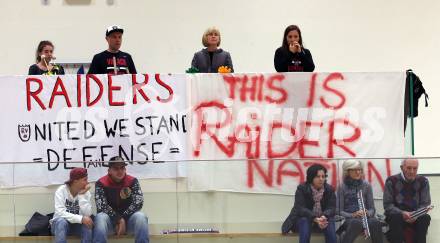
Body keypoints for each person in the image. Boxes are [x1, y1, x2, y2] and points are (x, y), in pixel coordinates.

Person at [94, 156, 149, 243]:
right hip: (110, 223)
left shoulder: (132, 181)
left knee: (141, 217)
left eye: (122, 168)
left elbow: (138, 203)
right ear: (109, 171)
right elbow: (102, 206)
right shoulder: (101, 183)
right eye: (116, 168)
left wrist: (122, 219)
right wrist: (118, 219)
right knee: (100, 217)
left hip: (128, 222)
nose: (120, 171)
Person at [282, 164, 337, 243]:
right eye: (318, 176)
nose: (321, 179)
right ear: (311, 177)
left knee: (328, 221)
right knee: (305, 220)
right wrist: (314, 218)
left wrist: (324, 216)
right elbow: (300, 208)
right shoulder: (302, 188)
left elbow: (332, 208)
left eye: (323, 176)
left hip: (321, 222)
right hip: (303, 223)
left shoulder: (329, 189)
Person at [383, 158, 431, 243]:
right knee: (395, 217)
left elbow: (425, 203)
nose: (412, 171)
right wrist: (402, 213)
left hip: (416, 214)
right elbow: (388, 205)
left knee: (425, 218)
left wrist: (415, 214)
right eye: (409, 168)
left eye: (415, 168)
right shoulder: (391, 180)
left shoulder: (423, 181)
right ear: (402, 168)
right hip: (397, 214)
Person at [337, 159, 383, 243]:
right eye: (354, 170)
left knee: (375, 222)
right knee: (356, 222)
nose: (358, 172)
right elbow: (339, 211)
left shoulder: (366, 185)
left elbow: (372, 209)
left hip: (366, 218)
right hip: (350, 219)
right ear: (347, 172)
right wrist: (353, 215)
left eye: (359, 169)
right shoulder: (342, 187)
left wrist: (367, 213)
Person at [50, 168, 93, 243]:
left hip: (76, 226)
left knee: (87, 223)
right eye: (85, 180)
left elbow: (88, 214)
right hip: (59, 226)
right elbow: (60, 213)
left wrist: (81, 195)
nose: (87, 182)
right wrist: (81, 218)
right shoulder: (61, 190)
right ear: (76, 181)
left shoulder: (86, 193)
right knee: (61, 222)